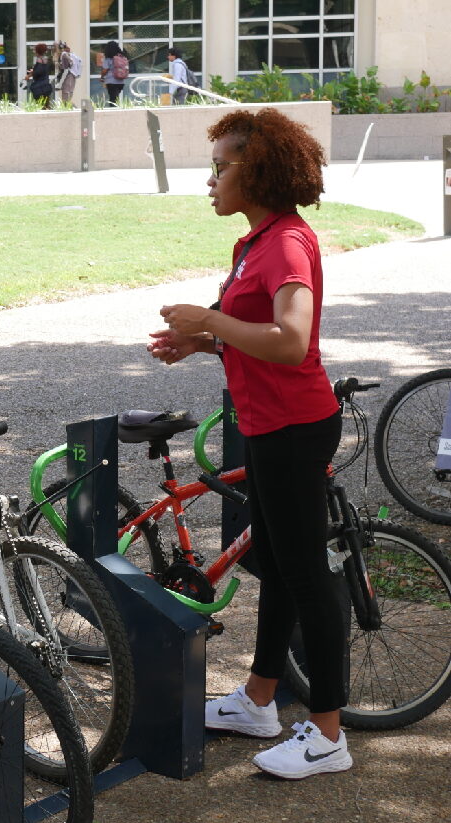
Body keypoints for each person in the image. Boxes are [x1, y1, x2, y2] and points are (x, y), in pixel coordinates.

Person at [147, 108, 351, 780]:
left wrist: (209, 319)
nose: (210, 181)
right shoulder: (255, 243)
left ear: (255, 171)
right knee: (277, 563)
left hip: (293, 427)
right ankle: (259, 700)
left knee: (307, 578)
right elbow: (255, 336)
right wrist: (203, 340)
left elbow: (291, 340)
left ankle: (326, 735)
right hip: (269, 427)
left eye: (220, 167)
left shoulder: (287, 243)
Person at [99, 41, 129, 107]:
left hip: (111, 82)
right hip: (121, 82)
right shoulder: (121, 57)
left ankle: (113, 113)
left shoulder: (108, 59)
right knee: (115, 98)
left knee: (112, 100)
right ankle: (117, 110)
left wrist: (102, 77)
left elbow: (105, 70)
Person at [24, 43, 53, 109]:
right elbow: (43, 71)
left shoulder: (39, 60)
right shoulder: (45, 59)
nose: (34, 51)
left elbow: (38, 72)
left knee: (41, 105)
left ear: (38, 51)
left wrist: (30, 74)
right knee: (46, 104)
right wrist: (33, 71)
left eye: (35, 49)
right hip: (45, 85)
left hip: (40, 87)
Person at [55, 41, 77, 106]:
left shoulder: (64, 54)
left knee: (66, 96)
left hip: (67, 76)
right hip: (68, 76)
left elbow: (67, 68)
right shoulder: (64, 54)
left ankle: (69, 108)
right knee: (67, 95)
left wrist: (60, 83)